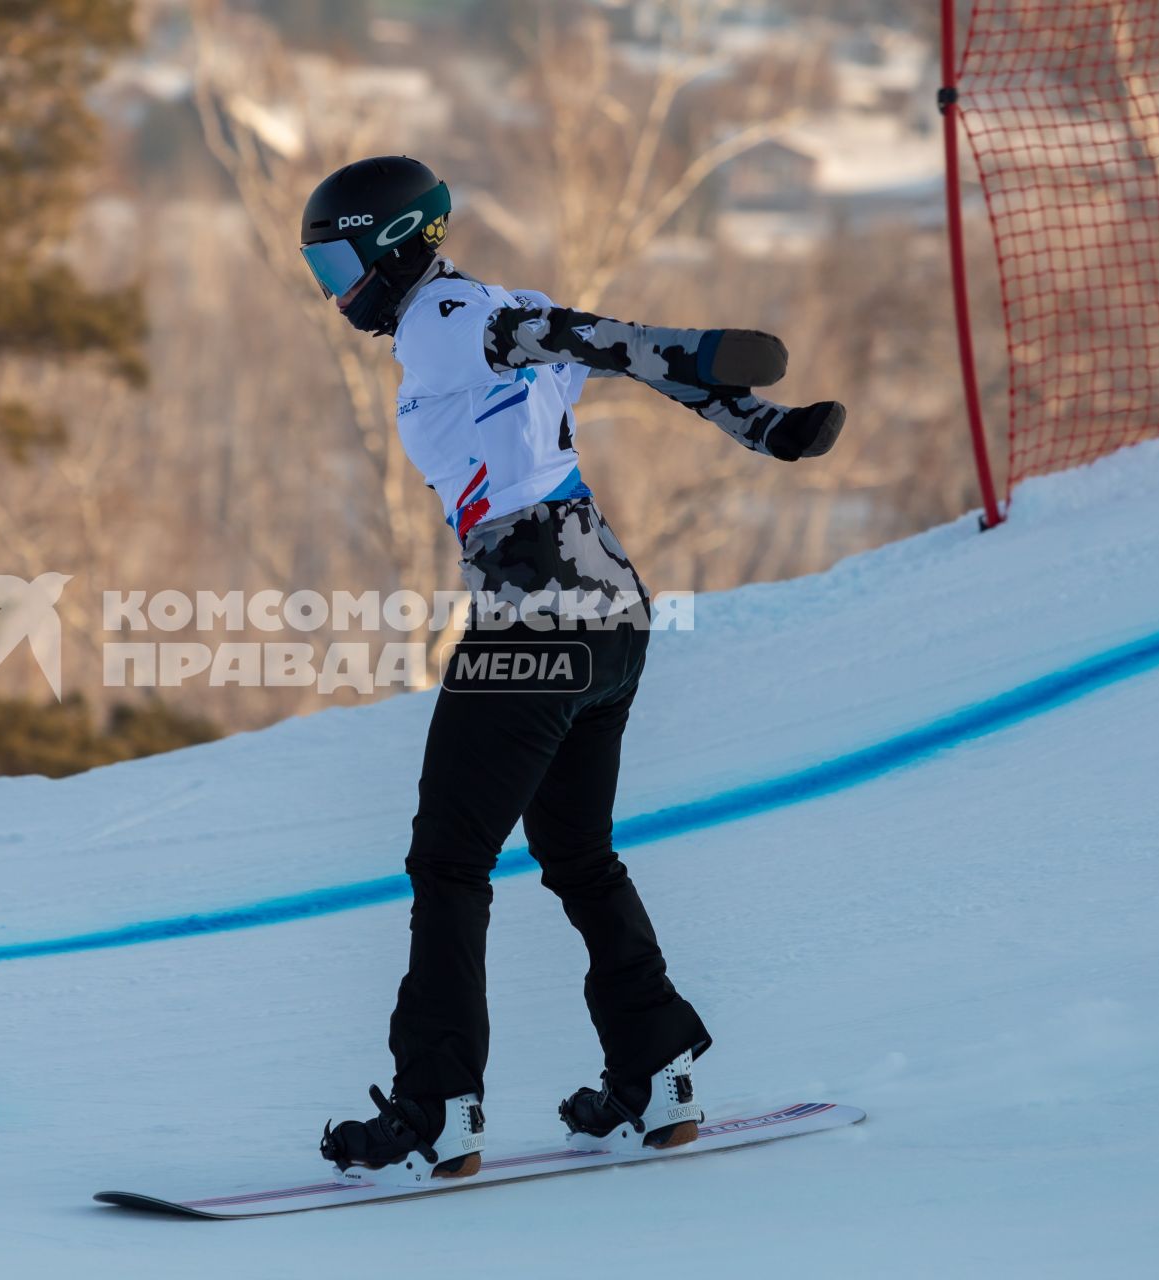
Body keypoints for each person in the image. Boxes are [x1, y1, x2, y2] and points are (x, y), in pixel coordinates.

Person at [304, 157, 845, 1182]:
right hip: (612, 617)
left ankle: (437, 1108)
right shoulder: (498, 300)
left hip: (532, 625)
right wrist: (762, 426)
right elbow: (610, 358)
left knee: (450, 862)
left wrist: (686, 344)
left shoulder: (445, 316)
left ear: (388, 244)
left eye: (337, 264)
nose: (336, 291)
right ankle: (658, 1071)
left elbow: (582, 340)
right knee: (576, 851)